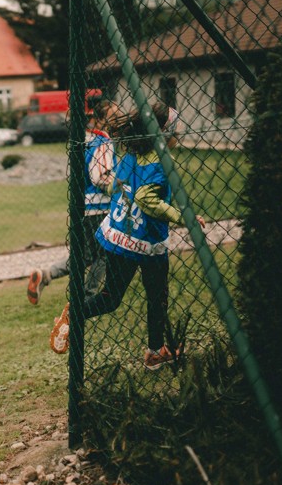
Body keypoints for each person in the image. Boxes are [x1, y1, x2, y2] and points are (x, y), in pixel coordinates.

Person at [49, 103, 204, 370]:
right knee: (157, 297)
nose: (178, 134)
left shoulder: (130, 152)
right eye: (175, 129)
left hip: (118, 235)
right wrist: (185, 217)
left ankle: (75, 313)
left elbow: (114, 186)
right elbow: (146, 199)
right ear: (164, 133)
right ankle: (154, 351)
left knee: (110, 297)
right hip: (147, 240)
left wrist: (123, 191)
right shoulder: (161, 162)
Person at [27, 99, 122, 305]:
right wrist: (121, 183)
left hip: (84, 206)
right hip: (100, 206)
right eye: (114, 117)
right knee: (104, 254)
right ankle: (86, 298)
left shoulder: (85, 141)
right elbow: (100, 176)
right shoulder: (104, 143)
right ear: (99, 120)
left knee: (85, 256)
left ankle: (46, 274)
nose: (118, 120)